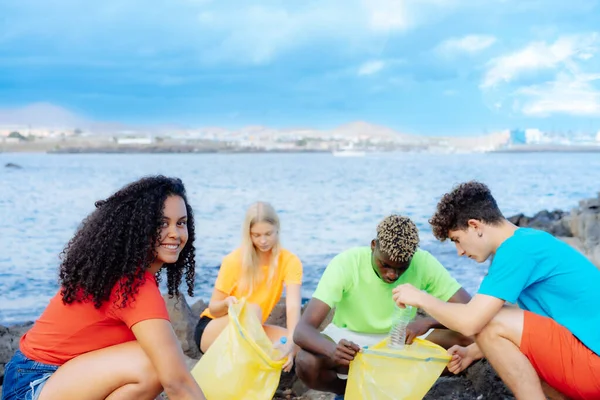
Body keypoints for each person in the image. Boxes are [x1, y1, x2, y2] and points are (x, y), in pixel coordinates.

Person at [1, 176, 206, 400]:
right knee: (153, 363)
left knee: (158, 355)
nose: (175, 233)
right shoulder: (133, 285)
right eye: (162, 223)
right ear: (137, 226)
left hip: (36, 377)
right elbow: (177, 383)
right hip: (33, 385)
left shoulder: (116, 271)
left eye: (181, 222)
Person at [392, 181, 600, 400]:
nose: (460, 252)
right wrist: (471, 352)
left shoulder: (517, 250)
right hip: (586, 360)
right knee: (494, 317)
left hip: (593, 367)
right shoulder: (528, 242)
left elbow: (472, 321)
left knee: (487, 320)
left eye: (457, 240)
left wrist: (421, 298)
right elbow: (526, 329)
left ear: (475, 226)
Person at [293, 214, 472, 397]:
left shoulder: (423, 262)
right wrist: (333, 350)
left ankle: (394, 387)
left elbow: (472, 311)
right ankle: (354, 392)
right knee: (307, 361)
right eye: (385, 265)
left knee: (470, 337)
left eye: (402, 268)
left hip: (400, 340)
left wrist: (428, 322)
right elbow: (302, 330)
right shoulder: (346, 263)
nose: (392, 275)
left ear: (413, 256)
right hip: (352, 341)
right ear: (373, 245)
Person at [194, 201, 302, 372]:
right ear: (248, 234)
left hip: (252, 330)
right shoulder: (234, 261)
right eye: (256, 235)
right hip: (214, 329)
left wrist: (291, 341)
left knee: (296, 345)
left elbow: (293, 305)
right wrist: (226, 304)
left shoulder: (290, 261)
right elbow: (214, 309)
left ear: (277, 229)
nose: (263, 240)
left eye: (268, 234)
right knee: (253, 311)